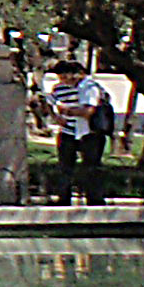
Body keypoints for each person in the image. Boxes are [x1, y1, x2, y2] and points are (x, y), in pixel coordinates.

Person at [48, 59, 110, 205]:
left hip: (89, 132)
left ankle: (94, 198)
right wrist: (56, 117)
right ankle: (63, 197)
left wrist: (67, 111)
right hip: (68, 131)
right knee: (65, 166)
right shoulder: (59, 89)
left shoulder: (89, 87)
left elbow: (88, 111)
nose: (64, 80)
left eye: (66, 76)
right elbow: (48, 102)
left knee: (91, 166)